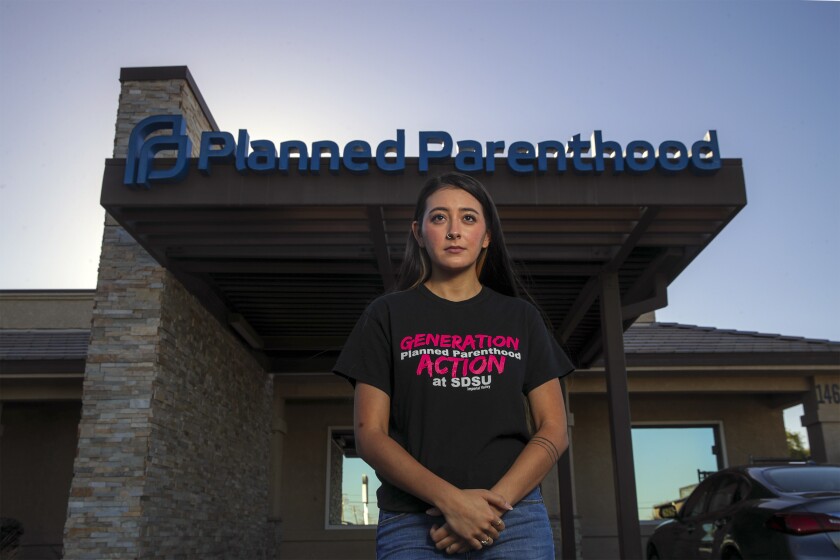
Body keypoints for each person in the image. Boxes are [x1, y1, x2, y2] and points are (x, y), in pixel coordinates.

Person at [333, 172, 574, 558]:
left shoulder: (520, 318)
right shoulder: (386, 316)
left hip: (513, 519)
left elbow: (554, 429)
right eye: (439, 217)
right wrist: (453, 503)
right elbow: (370, 435)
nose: (453, 231)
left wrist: (488, 510)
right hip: (412, 521)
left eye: (468, 218)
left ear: (487, 235)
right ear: (418, 231)